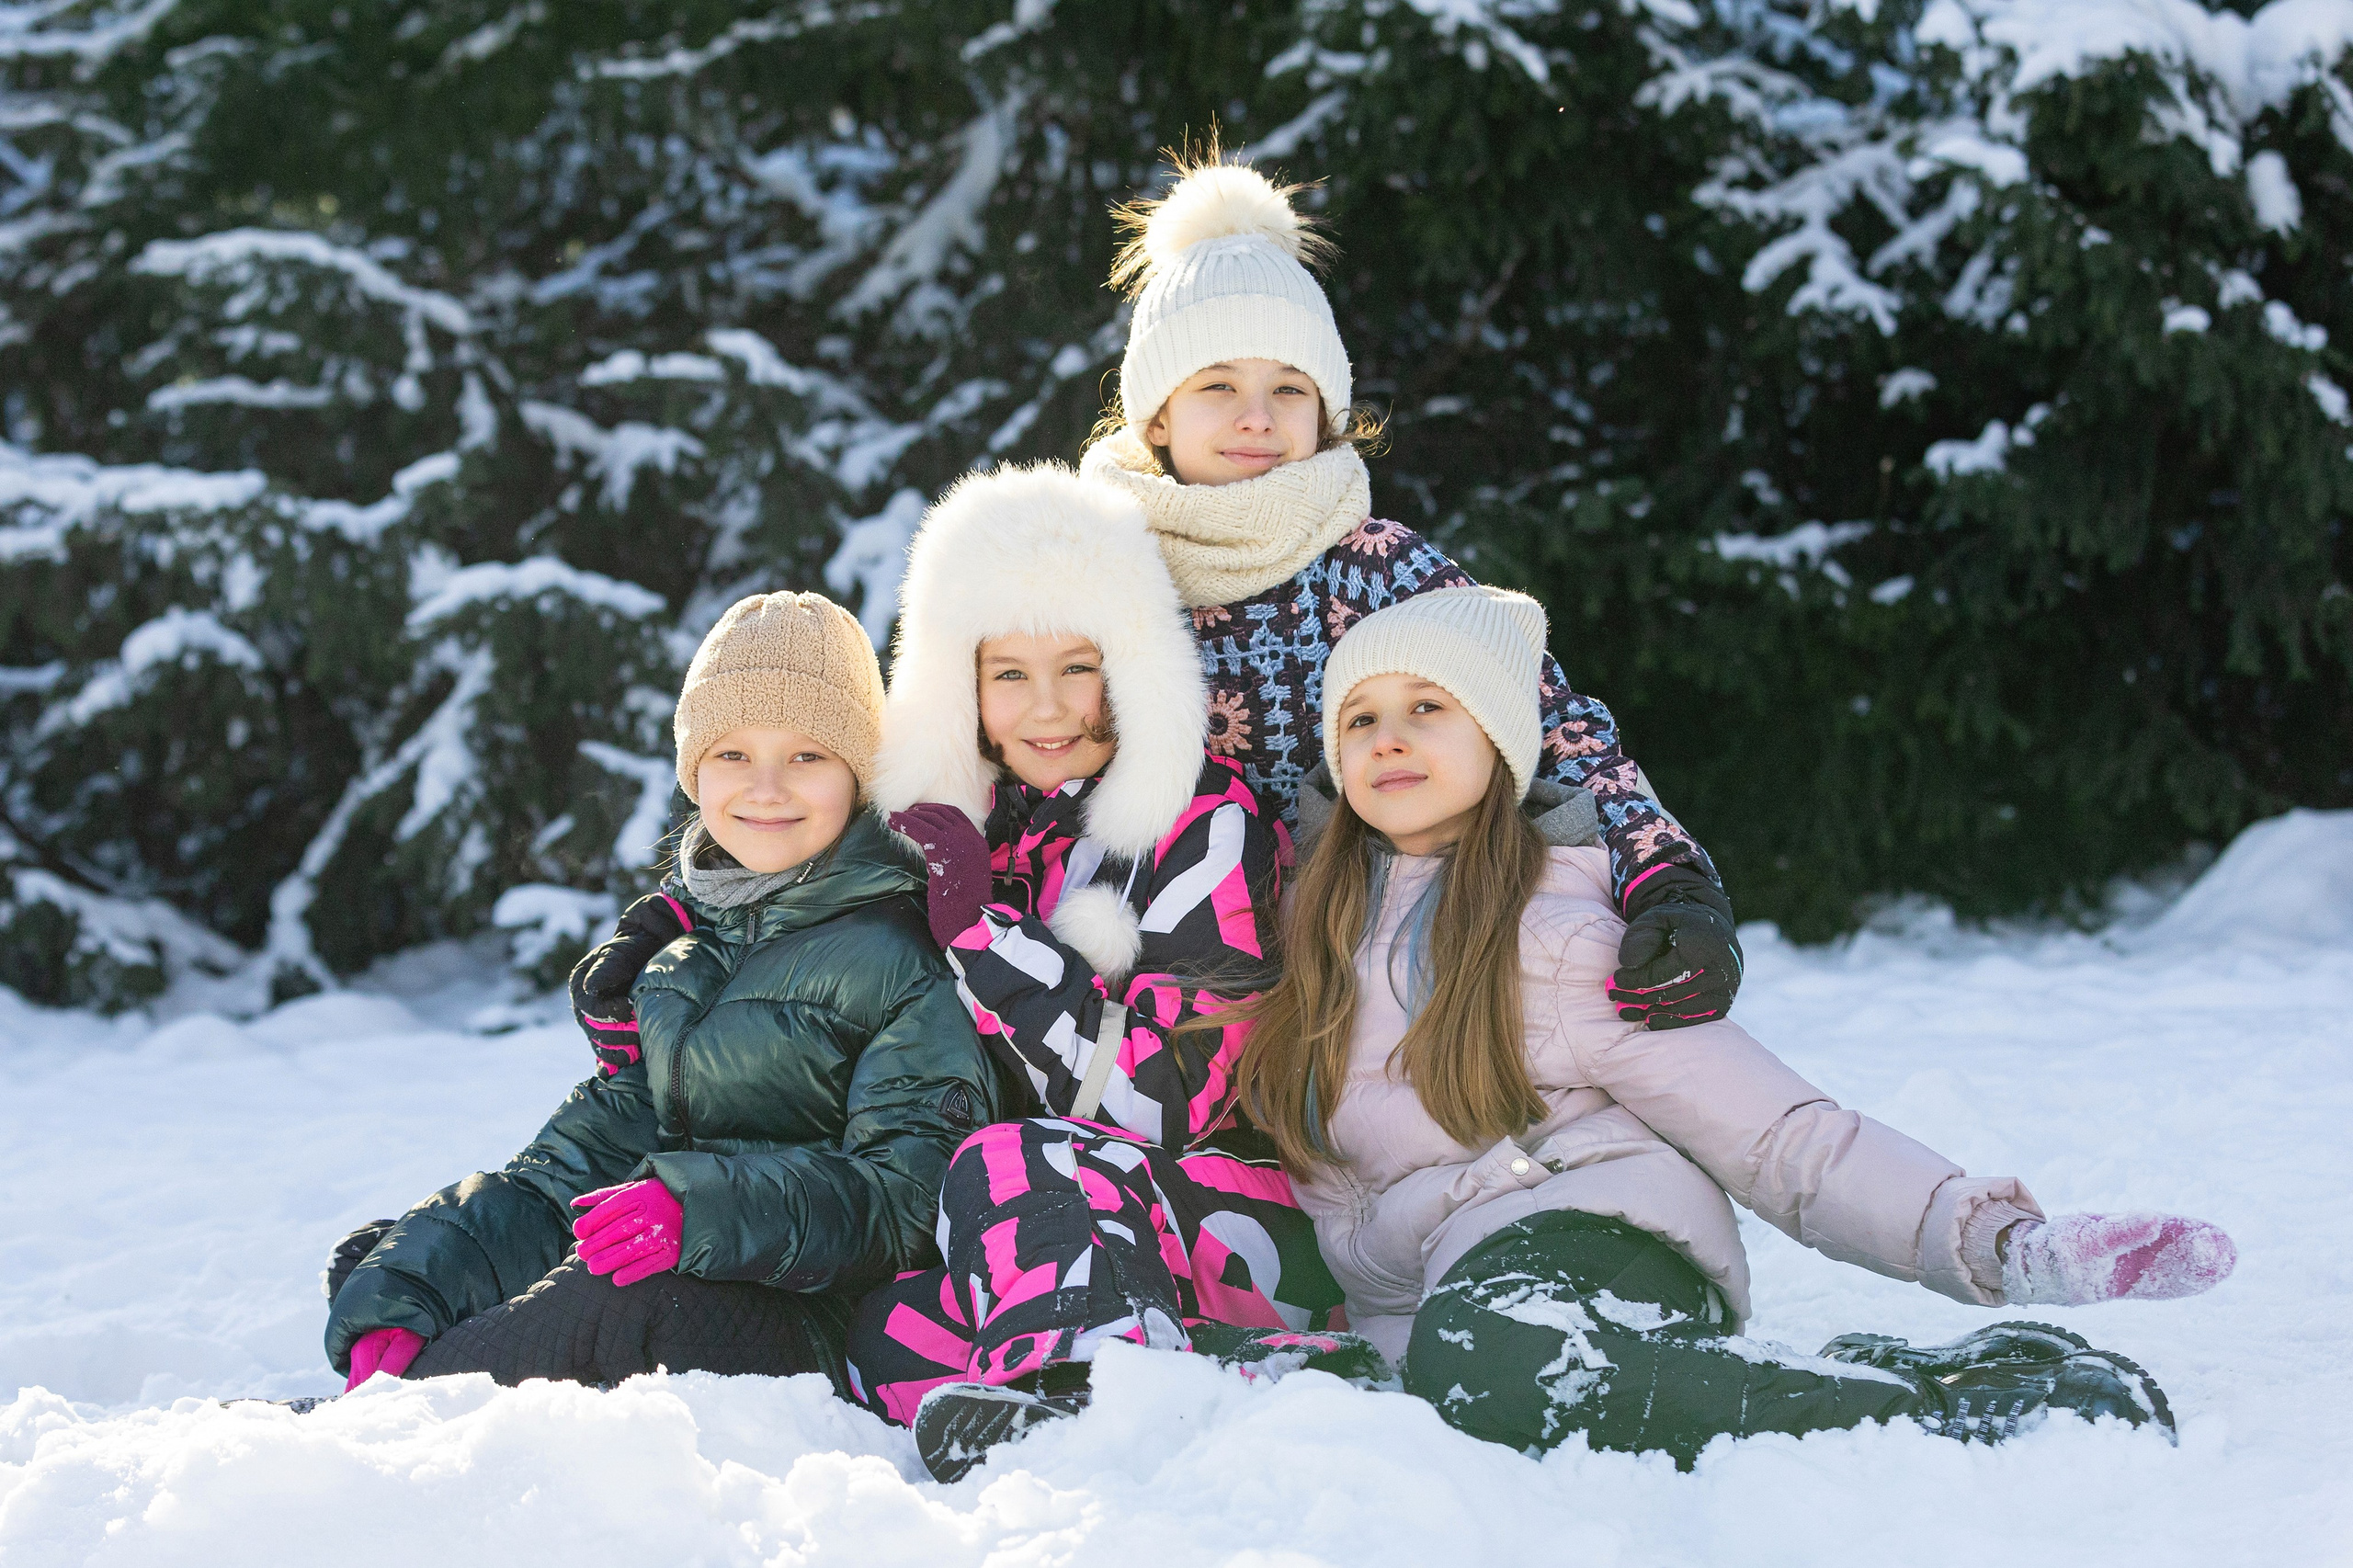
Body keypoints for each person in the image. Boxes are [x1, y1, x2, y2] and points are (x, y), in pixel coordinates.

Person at [1233, 585, 2236, 1463]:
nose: (1388, 736)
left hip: (1593, 1240)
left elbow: (1778, 1135)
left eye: (1426, 707)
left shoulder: (1554, 932)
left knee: (1499, 1353)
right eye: (1358, 718)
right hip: (1432, 1294)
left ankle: (1949, 1404)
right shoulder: (1299, 929)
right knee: (1434, 1374)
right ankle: (1827, 1373)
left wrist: (1998, 1243)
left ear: (1500, 738)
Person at [1079, 147, 1739, 1030]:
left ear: (1327, 409)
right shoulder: (1089, 565)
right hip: (1140, 980)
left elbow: (1548, 721)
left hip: (1372, 965)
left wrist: (1667, 875)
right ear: (1157, 412)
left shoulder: (1373, 567)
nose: (1257, 416)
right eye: (1218, 386)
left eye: (1289, 387)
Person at [321, 593, 1007, 1393]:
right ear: (693, 771)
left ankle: (402, 1419)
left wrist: (703, 1211)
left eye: (808, 757)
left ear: (860, 775)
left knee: (618, 1303)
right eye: (732, 756)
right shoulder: (681, 958)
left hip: (828, 1318)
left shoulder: (899, 953)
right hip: (694, 1263)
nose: (767, 788)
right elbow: (567, 1173)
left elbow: (908, 1204)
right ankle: (416, 1377)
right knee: (388, 1265)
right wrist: (417, 1285)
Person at [842, 462, 1368, 1483]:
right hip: (1044, 1233)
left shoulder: (1202, 821)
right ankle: (1240, 1380)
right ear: (960, 687)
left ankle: (1086, 1411)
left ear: (1128, 671)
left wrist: (986, 933)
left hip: (1239, 1218)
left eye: (1076, 667)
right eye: (1007, 674)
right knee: (886, 1330)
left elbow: (1166, 1103)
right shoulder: (965, 835)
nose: (1045, 708)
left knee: (1010, 1159)